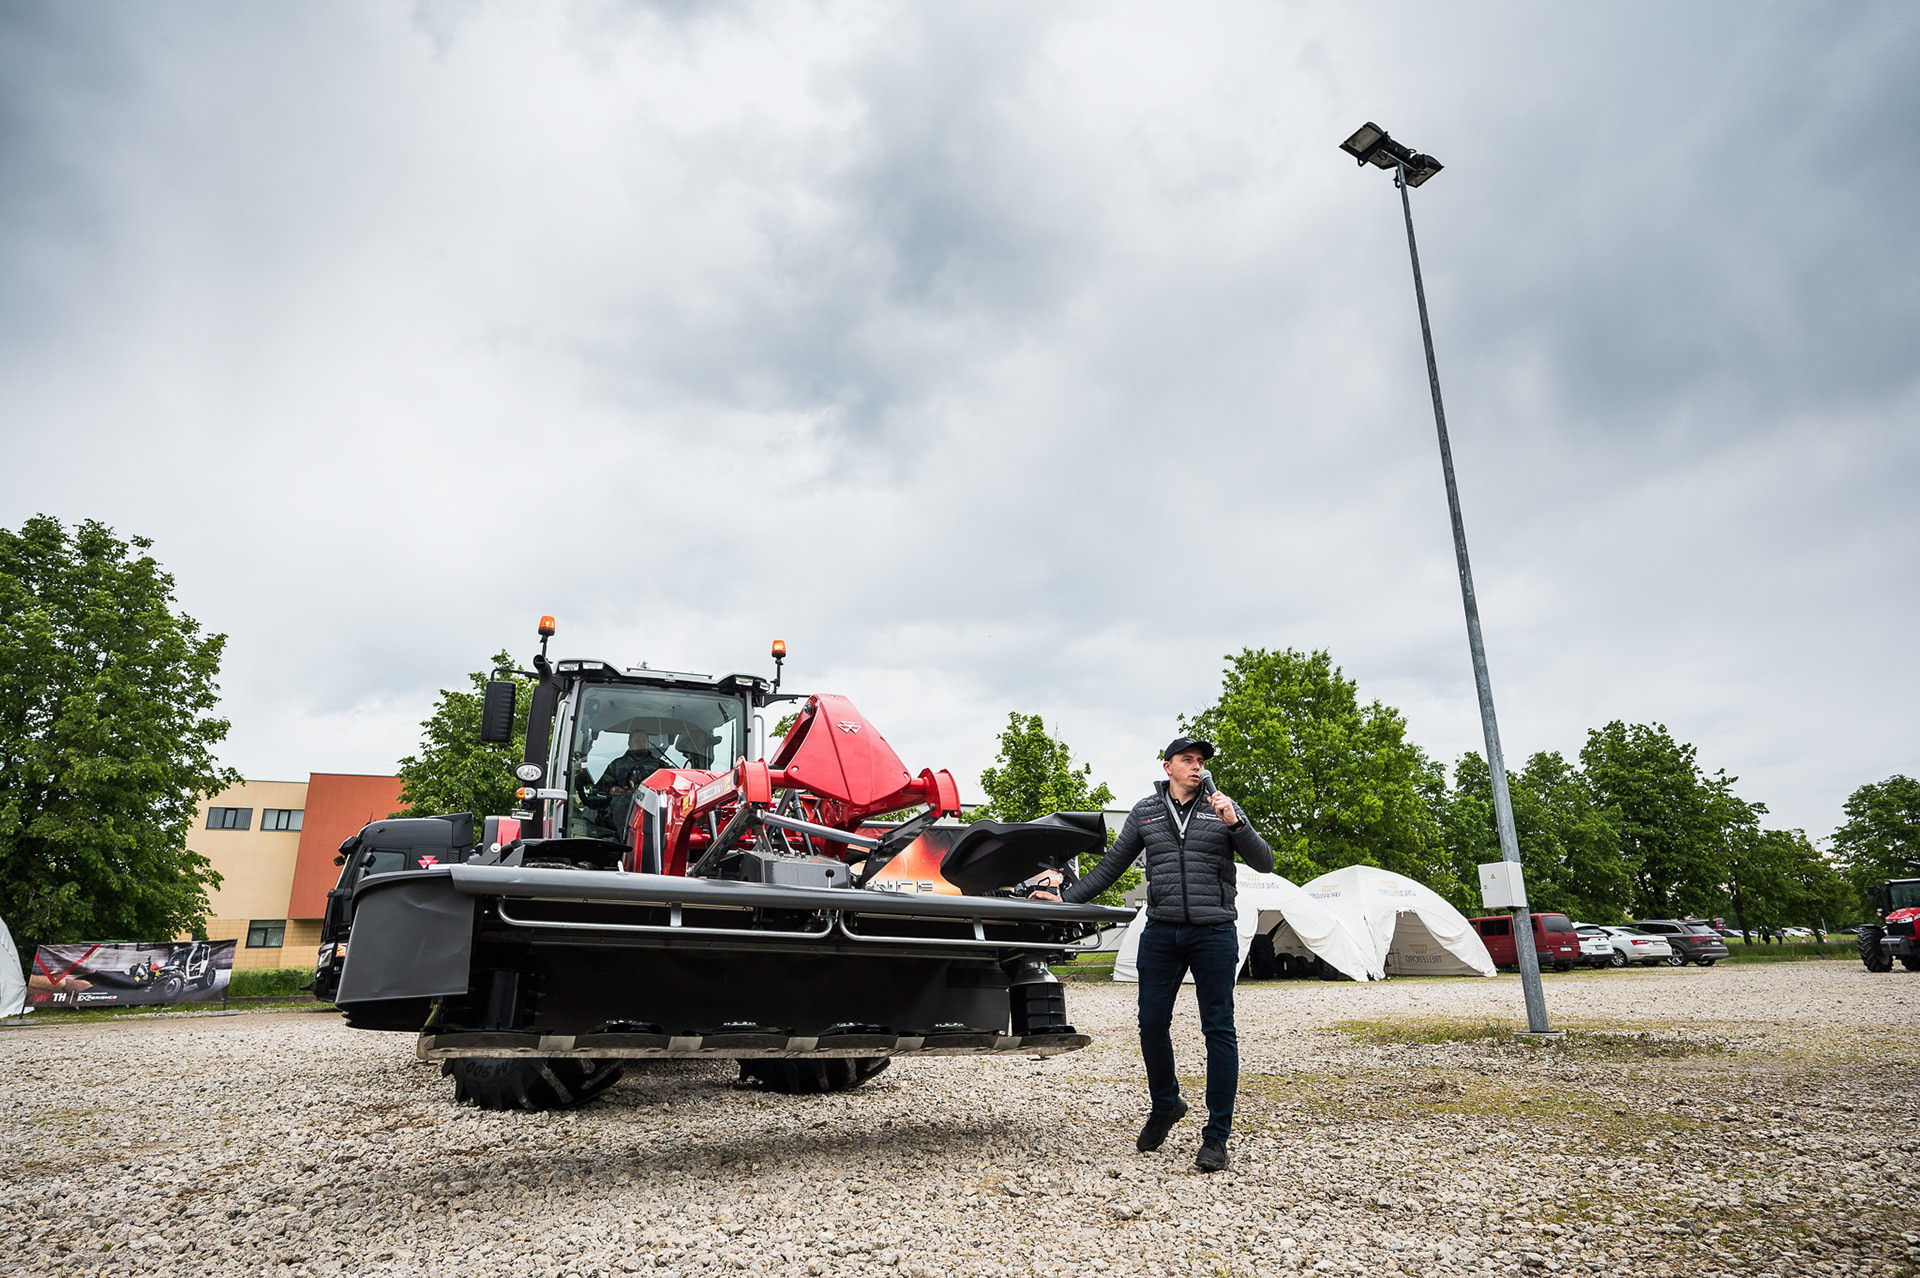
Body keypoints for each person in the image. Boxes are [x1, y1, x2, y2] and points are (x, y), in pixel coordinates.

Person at [1039, 735, 1272, 1172]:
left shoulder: (1222, 808)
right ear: (1168, 767)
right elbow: (1112, 866)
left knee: (1218, 1029)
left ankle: (1216, 1137)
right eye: (1188, 759)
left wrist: (1235, 822)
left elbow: (1265, 862)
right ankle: (1166, 1104)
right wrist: (1066, 901)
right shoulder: (1145, 811)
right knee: (1150, 1023)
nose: (1196, 766)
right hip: (1162, 931)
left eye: (1200, 760)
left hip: (1214, 931)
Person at [589, 730, 674, 831]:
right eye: (637, 741)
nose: (641, 744)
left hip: (652, 817)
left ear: (648, 743)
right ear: (629, 743)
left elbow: (672, 786)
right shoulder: (616, 765)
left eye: (643, 741)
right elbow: (599, 789)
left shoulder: (659, 767)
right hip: (617, 821)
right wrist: (612, 790)